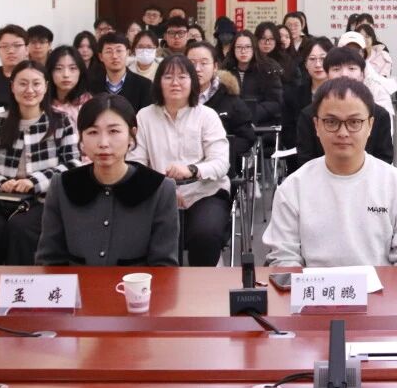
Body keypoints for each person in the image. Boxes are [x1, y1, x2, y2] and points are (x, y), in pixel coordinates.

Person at [265, 78, 397, 267]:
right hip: (313, 285)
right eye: (331, 122)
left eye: (354, 122)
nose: (343, 132)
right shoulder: (292, 189)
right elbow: (284, 258)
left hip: (382, 285)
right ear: (317, 126)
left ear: (370, 125)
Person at [36, 94, 180, 266]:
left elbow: (164, 266)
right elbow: (49, 260)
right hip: (77, 282)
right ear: (81, 137)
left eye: (114, 131)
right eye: (93, 132)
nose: (103, 143)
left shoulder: (159, 188)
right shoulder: (63, 185)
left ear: (132, 135)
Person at [0, 61, 80, 265]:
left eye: (36, 83)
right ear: (12, 86)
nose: (29, 90)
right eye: (23, 83)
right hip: (1, 199)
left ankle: (22, 282)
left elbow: (73, 165)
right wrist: (0, 183)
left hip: (43, 200)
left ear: (46, 86)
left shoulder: (61, 121)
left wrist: (34, 182)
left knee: (21, 228)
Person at [130, 54, 232, 265]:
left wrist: (192, 170)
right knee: (148, 236)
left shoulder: (207, 115)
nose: (175, 83)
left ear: (192, 82)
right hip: (157, 193)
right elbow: (136, 163)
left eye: (182, 77)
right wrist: (164, 189)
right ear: (158, 82)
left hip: (204, 191)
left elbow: (221, 163)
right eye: (168, 77)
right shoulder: (144, 117)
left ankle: (201, 282)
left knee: (205, 234)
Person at [295, 48, 395, 165]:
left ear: (362, 74)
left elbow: (384, 158)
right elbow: (306, 159)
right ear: (327, 74)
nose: (344, 74)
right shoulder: (309, 114)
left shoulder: (379, 114)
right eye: (336, 69)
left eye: (351, 68)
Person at [185, 41, 255, 176]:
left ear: (215, 66)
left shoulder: (230, 99)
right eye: (191, 63)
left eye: (204, 63)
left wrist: (218, 152)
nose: (197, 69)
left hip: (220, 171)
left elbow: (247, 137)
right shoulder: (175, 99)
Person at [283, 38, 334, 163]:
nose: (318, 64)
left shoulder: (342, 94)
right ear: (305, 64)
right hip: (302, 157)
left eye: (323, 59)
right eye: (312, 59)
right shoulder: (292, 95)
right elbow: (288, 133)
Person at [223, 29, 284, 125]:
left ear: (254, 48)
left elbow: (275, 102)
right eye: (239, 47)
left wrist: (252, 112)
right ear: (233, 49)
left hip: (261, 125)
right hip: (232, 124)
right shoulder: (226, 71)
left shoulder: (267, 70)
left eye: (248, 47)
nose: (243, 51)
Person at [88, 33, 153, 114]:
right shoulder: (91, 85)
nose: (114, 56)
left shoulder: (145, 85)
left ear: (128, 53)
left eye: (119, 51)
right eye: (109, 51)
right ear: (101, 57)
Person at [47, 45, 92, 127]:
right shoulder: (42, 103)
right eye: (59, 68)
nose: (66, 75)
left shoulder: (89, 104)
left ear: (80, 72)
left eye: (72, 68)